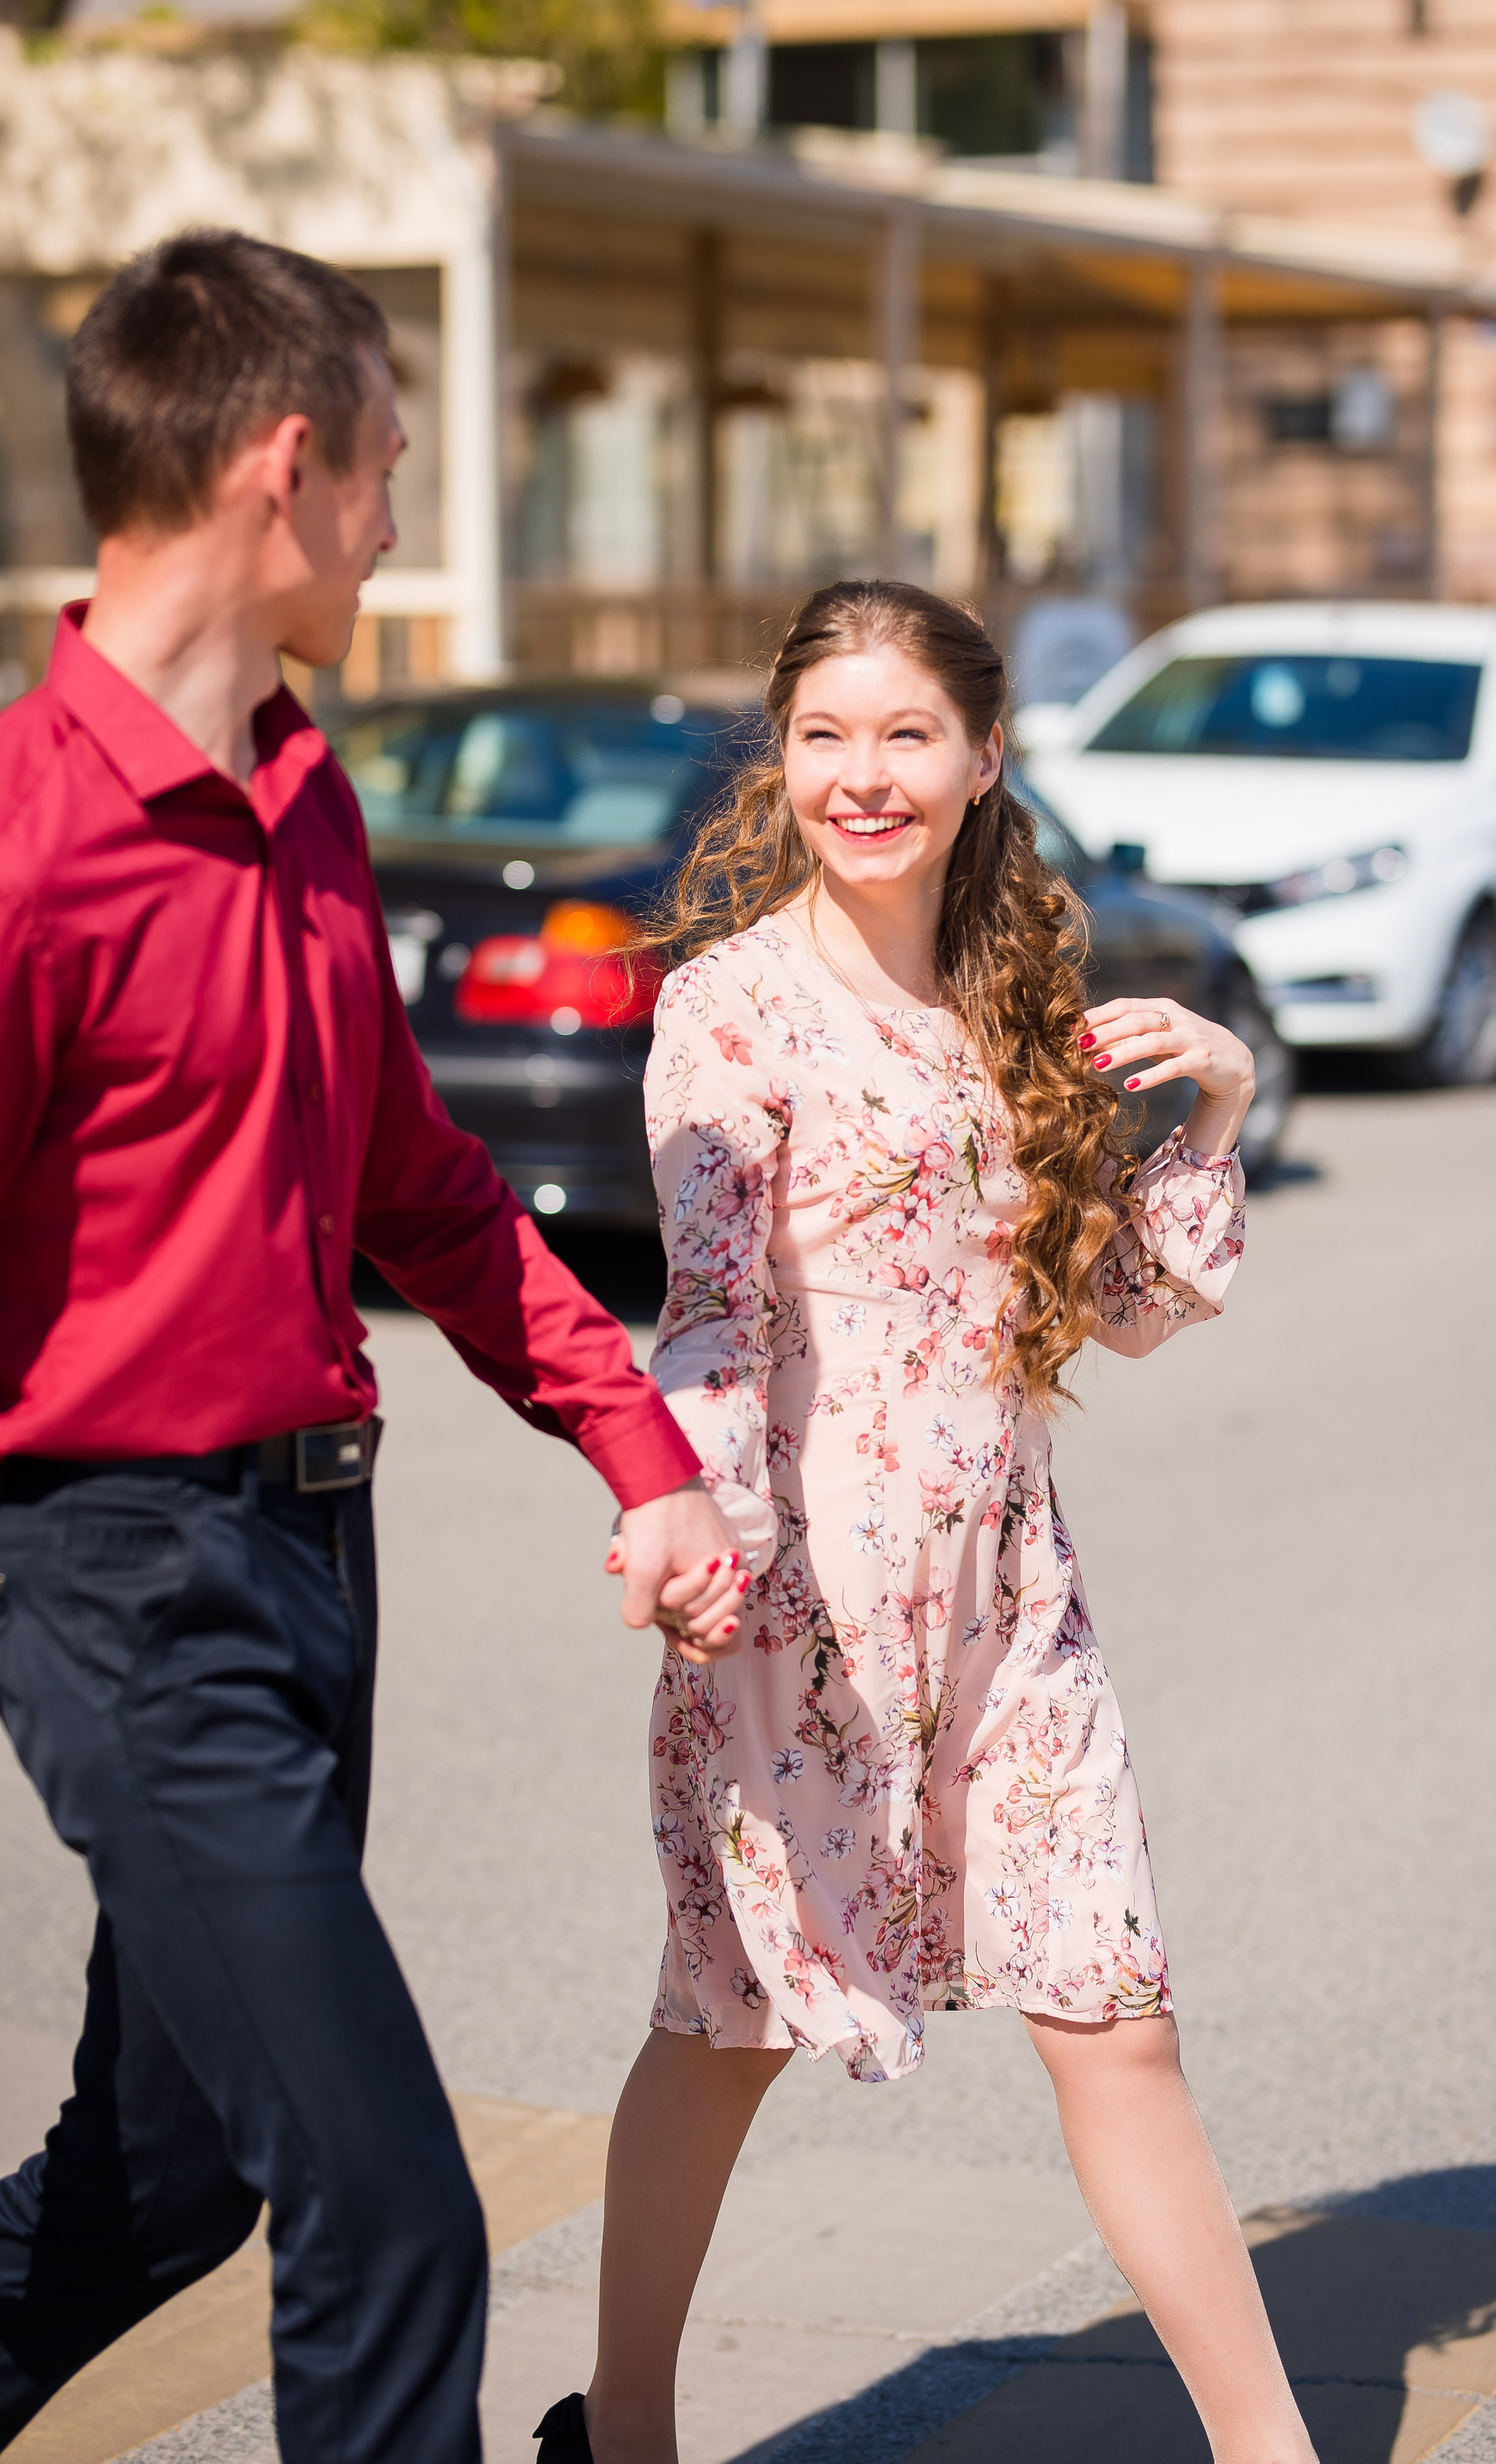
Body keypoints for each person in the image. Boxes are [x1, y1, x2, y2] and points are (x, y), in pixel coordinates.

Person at [0, 227, 745, 2463]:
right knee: (393, 2209)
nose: (400, 521)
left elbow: (417, 1181)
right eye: (392, 468)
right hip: (126, 1580)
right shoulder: (29, 848)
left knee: (165, 2183)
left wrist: (642, 1443)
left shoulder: (304, 791)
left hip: (315, 1554)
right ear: (287, 465)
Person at [534, 581, 1319, 2464]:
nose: (861, 776)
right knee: (730, 2021)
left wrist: (1215, 1106)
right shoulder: (730, 1006)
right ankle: (621, 2433)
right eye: (824, 735)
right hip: (800, 1595)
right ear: (783, 756)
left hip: (1011, 1595)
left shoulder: (1014, 1001)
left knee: (1116, 2012)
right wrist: (690, 1517)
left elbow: (1116, 1303)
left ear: (984, 758)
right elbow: (712, 1314)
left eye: (905, 735)